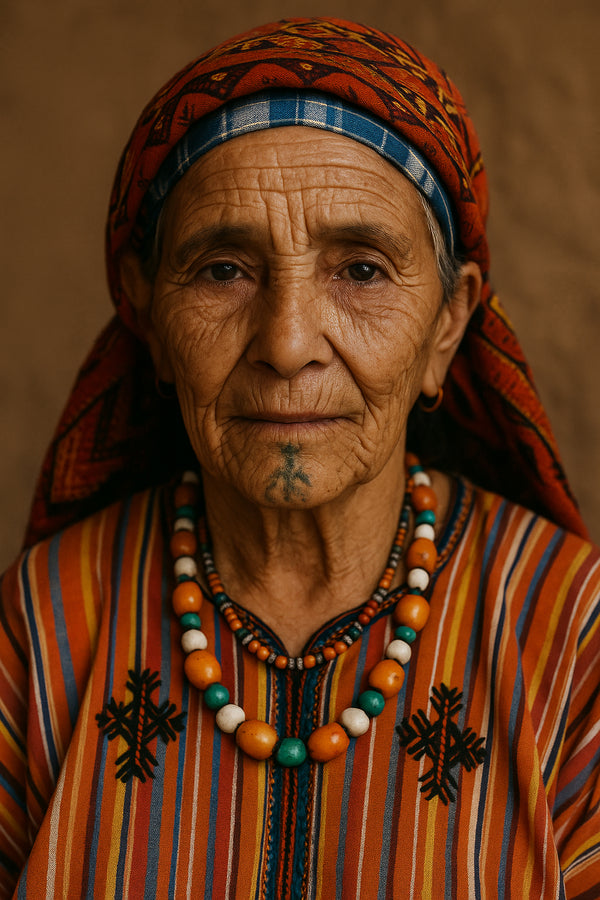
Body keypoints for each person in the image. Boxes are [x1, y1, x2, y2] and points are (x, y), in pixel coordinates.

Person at [1, 16, 598, 899]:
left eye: (360, 270)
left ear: (448, 325)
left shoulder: (570, 635)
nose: (286, 344)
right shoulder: (42, 631)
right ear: (146, 317)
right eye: (222, 270)